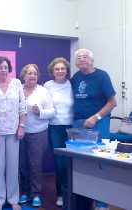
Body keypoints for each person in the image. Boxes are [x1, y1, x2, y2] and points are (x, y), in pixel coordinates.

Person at [71, 49, 117, 210]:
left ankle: (102, 204)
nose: (82, 60)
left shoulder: (102, 76)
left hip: (99, 124)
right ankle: (85, 202)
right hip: (79, 125)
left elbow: (113, 103)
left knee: (100, 163)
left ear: (92, 60)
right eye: (79, 58)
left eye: (85, 57)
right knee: (82, 164)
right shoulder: (76, 77)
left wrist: (95, 117)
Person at [0, 56, 26, 210]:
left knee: (13, 166)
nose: (3, 70)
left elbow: (22, 107)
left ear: (9, 68)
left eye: (6, 67)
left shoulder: (16, 84)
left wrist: (21, 126)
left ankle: (13, 199)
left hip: (14, 131)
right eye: (0, 67)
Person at [18, 64, 55, 207]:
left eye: (35, 73)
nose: (32, 76)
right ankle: (24, 192)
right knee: (22, 164)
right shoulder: (18, 89)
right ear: (23, 75)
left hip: (38, 132)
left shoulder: (43, 92)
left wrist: (40, 112)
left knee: (35, 165)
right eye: (29, 73)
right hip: (19, 132)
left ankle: (36, 194)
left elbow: (52, 111)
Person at [44, 57, 73, 207]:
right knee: (60, 162)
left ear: (66, 70)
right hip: (54, 127)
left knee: (71, 162)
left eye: (63, 68)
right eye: (57, 69)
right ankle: (61, 194)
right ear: (52, 71)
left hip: (71, 128)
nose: (60, 71)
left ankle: (73, 193)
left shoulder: (72, 85)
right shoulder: (48, 86)